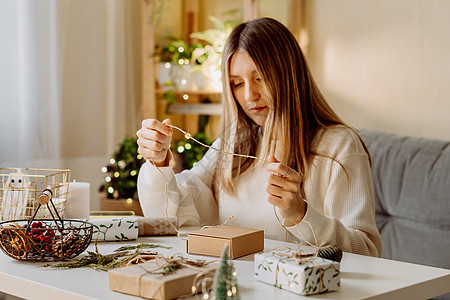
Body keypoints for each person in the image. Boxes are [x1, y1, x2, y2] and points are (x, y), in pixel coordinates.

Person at [136, 17, 382, 257]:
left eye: (260, 78)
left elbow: (367, 252)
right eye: (237, 83)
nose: (249, 95)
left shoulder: (339, 146)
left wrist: (301, 215)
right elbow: (175, 210)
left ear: (288, 75)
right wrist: (158, 163)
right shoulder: (233, 142)